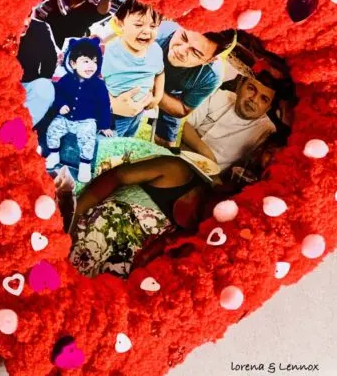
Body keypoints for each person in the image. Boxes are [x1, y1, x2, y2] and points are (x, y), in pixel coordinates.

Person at [62, 156, 211, 277]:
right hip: (95, 232)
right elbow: (115, 177)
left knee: (84, 296)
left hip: (121, 265)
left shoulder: (204, 238)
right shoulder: (177, 171)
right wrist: (74, 215)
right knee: (55, 276)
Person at [152, 22, 238, 147]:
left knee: (165, 148)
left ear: (209, 60)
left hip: (172, 98)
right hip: (136, 78)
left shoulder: (211, 76)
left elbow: (183, 109)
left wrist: (153, 90)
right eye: (183, 37)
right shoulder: (154, 33)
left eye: (195, 53)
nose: (181, 51)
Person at [44, 38, 112, 183]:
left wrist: (105, 125)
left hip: (86, 120)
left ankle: (85, 164)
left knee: (88, 138)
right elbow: (57, 94)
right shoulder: (66, 80)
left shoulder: (99, 85)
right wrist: (60, 105)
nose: (91, 66)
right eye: (86, 61)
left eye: (95, 62)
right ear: (73, 63)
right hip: (66, 118)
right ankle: (54, 154)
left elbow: (104, 105)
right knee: (53, 129)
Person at [182, 70, 279, 171]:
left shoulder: (267, 130)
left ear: (268, 108)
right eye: (251, 89)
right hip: (182, 152)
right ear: (239, 86)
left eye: (264, 99)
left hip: (211, 176)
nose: (254, 99)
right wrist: (206, 152)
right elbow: (183, 123)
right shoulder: (220, 96)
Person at [101, 0, 165, 137]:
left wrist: (157, 97)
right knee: (106, 146)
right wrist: (110, 104)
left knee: (127, 143)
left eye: (153, 26)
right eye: (138, 25)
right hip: (111, 115)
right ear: (119, 23)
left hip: (137, 113)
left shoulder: (155, 50)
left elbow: (160, 73)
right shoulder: (110, 51)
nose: (147, 31)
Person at [18, 15, 59, 127]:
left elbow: (50, 57)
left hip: (27, 85)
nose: (26, 22)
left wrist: (45, 78)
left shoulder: (39, 28)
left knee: (44, 87)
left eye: (28, 14)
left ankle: (18, 130)